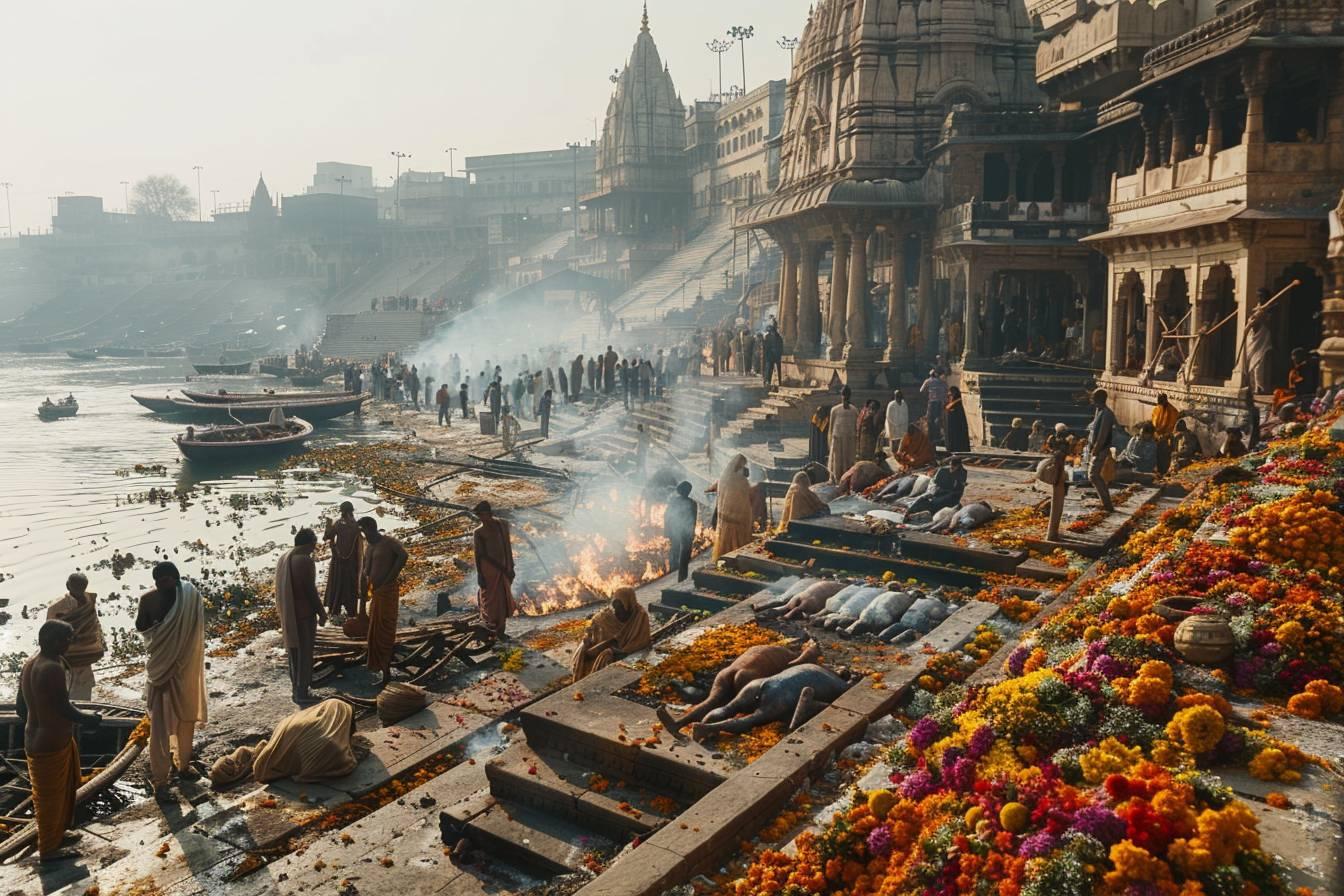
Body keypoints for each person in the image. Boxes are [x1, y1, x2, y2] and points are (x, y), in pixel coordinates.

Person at [17, 620, 103, 863]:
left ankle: (58, 835)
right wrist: (89, 720)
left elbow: (21, 706)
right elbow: (64, 707)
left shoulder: (31, 662)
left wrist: (38, 721)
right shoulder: (52, 668)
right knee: (50, 800)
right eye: (68, 639)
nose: (70, 643)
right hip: (49, 742)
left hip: (38, 737)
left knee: (62, 792)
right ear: (55, 641)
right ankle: (48, 850)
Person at [136, 561, 207, 796]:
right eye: (156, 581)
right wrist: (159, 628)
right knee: (159, 726)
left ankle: (183, 765)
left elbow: (195, 630)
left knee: (186, 719)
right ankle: (160, 781)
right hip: (160, 669)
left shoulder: (190, 595)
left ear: (175, 578)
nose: (159, 585)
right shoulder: (147, 600)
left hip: (184, 668)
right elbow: (142, 628)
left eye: (164, 580)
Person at [656, 640, 820, 736]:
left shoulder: (766, 647)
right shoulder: (789, 657)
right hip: (749, 677)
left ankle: (678, 724)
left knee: (711, 701)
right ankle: (708, 728)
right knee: (737, 710)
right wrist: (811, 653)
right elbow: (796, 666)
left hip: (728, 671)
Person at [275, 529, 327, 705]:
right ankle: (302, 692)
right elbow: (310, 591)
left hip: (289, 613)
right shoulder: (304, 560)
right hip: (304, 614)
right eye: (314, 543)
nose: (314, 547)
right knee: (305, 653)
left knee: (294, 652)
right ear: (308, 543)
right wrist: (321, 611)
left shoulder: (285, 557)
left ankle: (295, 689)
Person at [358, 517, 408, 689]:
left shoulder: (388, 542)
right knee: (375, 633)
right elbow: (365, 572)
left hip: (387, 592)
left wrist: (390, 577)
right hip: (376, 594)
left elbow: (403, 555)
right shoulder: (369, 547)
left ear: (372, 529)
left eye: (365, 531)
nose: (365, 535)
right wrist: (362, 596)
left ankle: (387, 673)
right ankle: (383, 670)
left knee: (385, 631)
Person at [45, 573, 105, 701]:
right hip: (86, 653)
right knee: (81, 688)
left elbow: (48, 632)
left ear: (67, 585)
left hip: (67, 654)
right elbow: (94, 625)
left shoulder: (57, 607)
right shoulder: (90, 600)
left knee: (67, 687)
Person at [571, 587, 652, 682]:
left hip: (619, 649)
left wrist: (615, 651)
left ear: (629, 605)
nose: (617, 612)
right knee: (586, 654)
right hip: (602, 645)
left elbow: (640, 642)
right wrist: (590, 642)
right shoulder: (605, 620)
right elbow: (594, 641)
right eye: (615, 608)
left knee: (604, 656)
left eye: (621, 608)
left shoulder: (640, 617)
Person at [473, 502, 517, 638]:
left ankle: (501, 629)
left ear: (489, 513)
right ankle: (491, 628)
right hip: (489, 570)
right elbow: (479, 554)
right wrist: (480, 575)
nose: (481, 518)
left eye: (482, 514)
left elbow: (507, 546)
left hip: (504, 568)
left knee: (502, 599)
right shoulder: (478, 532)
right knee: (490, 600)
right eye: (479, 515)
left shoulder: (502, 525)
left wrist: (510, 566)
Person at [323, 502, 363, 618]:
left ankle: (334, 611)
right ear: (351, 511)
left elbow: (327, 537)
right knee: (351, 585)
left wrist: (328, 524)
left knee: (337, 584)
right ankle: (351, 611)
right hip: (352, 562)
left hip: (339, 561)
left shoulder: (338, 524)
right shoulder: (356, 525)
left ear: (342, 512)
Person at [712, 454, 754, 560]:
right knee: (738, 546)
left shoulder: (723, 477)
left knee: (725, 545)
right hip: (738, 519)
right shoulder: (741, 481)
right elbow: (747, 497)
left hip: (725, 519)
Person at [1087, 389, 1116, 512]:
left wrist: (1096, 448)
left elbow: (1103, 434)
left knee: (1093, 475)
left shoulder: (1107, 413)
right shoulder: (1099, 411)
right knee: (1094, 475)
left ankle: (1107, 503)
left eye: (1094, 399)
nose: (1092, 401)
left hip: (1102, 448)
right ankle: (1106, 502)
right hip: (1095, 447)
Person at [664, 481, 698, 582]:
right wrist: (692, 533)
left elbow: (667, 517)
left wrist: (667, 531)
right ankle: (682, 577)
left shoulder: (673, 502)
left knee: (674, 551)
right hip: (686, 531)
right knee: (685, 555)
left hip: (675, 531)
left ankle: (672, 572)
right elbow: (694, 519)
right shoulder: (692, 503)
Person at [1044, 423, 1072, 541]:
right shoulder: (1065, 444)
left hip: (1058, 474)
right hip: (1059, 475)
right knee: (1057, 504)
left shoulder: (1056, 442)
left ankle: (1052, 533)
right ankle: (1052, 534)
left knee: (1056, 504)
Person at [1244, 288, 1273, 395]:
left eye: (1262, 296)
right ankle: (1252, 387)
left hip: (1262, 337)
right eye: (1259, 296)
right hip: (1252, 338)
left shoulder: (1269, 308)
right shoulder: (1256, 308)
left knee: (1259, 364)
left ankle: (1259, 388)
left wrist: (1262, 315)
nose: (1260, 298)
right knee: (1250, 363)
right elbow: (1251, 321)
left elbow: (1268, 322)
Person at [827, 387, 859, 482]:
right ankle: (836, 480)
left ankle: (847, 481)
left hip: (850, 440)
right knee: (837, 463)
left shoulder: (854, 411)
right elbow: (831, 429)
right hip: (838, 440)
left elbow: (856, 428)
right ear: (841, 396)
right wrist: (829, 443)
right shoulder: (835, 410)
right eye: (844, 395)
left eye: (847, 395)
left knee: (849, 462)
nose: (845, 397)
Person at [1151, 393, 1179, 474]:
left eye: (1161, 402)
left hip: (1166, 439)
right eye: (1159, 402)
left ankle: (1163, 472)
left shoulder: (1173, 411)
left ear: (1166, 400)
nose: (1160, 404)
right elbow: (1153, 423)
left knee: (1163, 458)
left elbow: (1172, 427)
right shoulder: (1157, 408)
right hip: (1156, 437)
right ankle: (1156, 473)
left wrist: (1164, 436)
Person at [920, 370, 948, 444]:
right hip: (939, 402)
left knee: (930, 419)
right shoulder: (941, 381)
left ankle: (931, 436)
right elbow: (946, 389)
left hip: (931, 402)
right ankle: (937, 436)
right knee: (938, 419)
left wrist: (928, 394)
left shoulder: (928, 381)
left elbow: (921, 390)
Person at [945, 386, 970, 453]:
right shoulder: (953, 403)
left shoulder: (957, 402)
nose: (949, 396)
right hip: (952, 427)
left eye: (950, 395)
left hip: (957, 427)